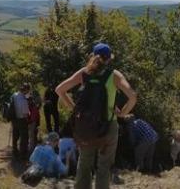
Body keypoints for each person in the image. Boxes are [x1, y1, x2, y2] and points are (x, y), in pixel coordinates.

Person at [55, 43, 137, 189]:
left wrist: (74, 109)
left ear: (92, 56)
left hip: (85, 126)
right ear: (109, 59)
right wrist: (122, 113)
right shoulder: (114, 75)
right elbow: (133, 97)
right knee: (104, 166)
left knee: (84, 163)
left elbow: (59, 90)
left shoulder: (84, 73)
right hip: (108, 126)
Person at [11, 83, 31, 160]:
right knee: (24, 137)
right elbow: (26, 114)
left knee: (15, 136)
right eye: (28, 90)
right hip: (22, 120)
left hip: (14, 118)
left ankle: (15, 152)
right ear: (26, 90)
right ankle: (22, 154)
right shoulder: (24, 100)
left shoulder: (14, 95)